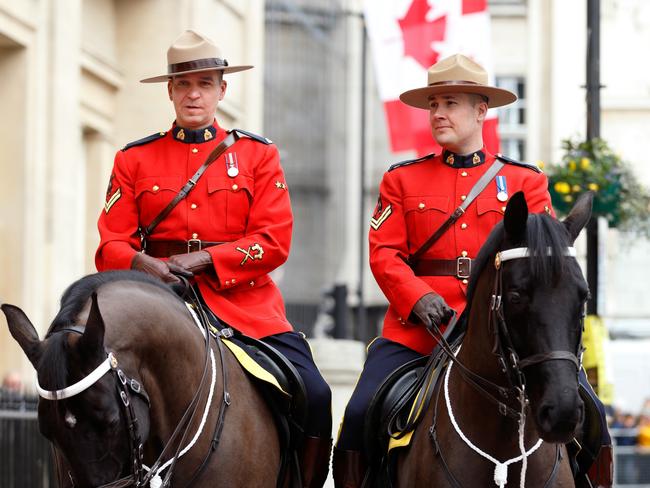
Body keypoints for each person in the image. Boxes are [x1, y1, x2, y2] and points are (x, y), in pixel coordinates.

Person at [333, 54, 612, 488]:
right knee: (359, 412)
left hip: (510, 331)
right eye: (433, 105)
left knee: (591, 415)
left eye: (450, 103)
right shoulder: (402, 180)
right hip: (421, 332)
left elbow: (543, 265)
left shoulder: (525, 182)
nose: (439, 113)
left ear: (481, 111)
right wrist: (416, 296)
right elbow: (384, 253)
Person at [96, 30, 332, 487]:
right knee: (84, 388)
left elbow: (274, 239)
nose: (194, 93)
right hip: (156, 301)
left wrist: (203, 261)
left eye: (205, 83)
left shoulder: (257, 155)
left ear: (222, 89)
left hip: (244, 305)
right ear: (169, 91)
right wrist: (145, 264)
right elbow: (110, 246)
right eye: (183, 84)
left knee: (316, 394)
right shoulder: (135, 159)